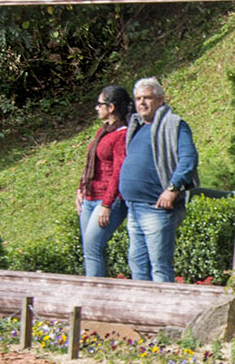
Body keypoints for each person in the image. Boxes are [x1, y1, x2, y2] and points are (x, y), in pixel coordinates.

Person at [117, 77, 199, 283]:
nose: (142, 103)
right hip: (134, 207)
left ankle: (167, 312)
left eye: (147, 98)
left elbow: (188, 159)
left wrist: (173, 188)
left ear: (160, 100)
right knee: (137, 264)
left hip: (156, 207)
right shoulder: (137, 126)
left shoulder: (174, 125)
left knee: (159, 266)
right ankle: (141, 312)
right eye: (138, 98)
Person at [76, 85, 132, 277]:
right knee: (88, 250)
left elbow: (118, 170)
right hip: (90, 197)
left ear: (111, 107)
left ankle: (93, 298)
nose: (96, 108)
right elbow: (91, 162)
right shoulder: (104, 130)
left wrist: (107, 204)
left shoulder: (121, 134)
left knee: (92, 248)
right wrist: (80, 190)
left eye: (100, 104)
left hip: (106, 200)